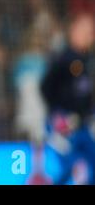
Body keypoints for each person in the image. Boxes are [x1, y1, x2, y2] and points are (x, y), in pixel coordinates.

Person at [41, 13, 95, 184]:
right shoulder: (63, 59)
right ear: (74, 32)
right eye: (86, 31)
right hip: (65, 124)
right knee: (66, 166)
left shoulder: (87, 60)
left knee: (91, 162)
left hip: (83, 124)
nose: (90, 36)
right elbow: (46, 87)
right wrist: (57, 113)